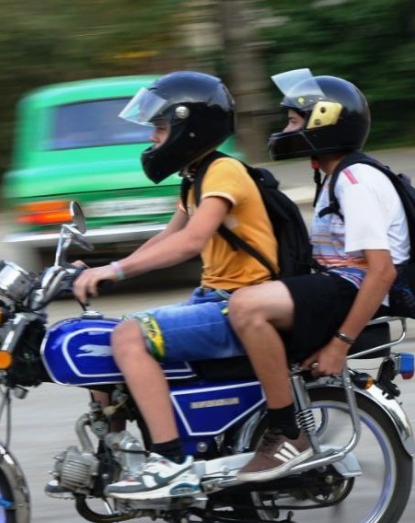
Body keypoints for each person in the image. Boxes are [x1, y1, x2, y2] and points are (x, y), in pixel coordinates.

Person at [71, 70, 278, 500]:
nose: (153, 139)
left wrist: (117, 273)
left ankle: (171, 463)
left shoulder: (224, 172)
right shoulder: (195, 178)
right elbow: (166, 236)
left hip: (239, 306)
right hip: (213, 298)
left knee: (129, 337)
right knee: (105, 340)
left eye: (161, 129)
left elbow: (191, 241)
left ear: (190, 128)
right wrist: (105, 267)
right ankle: (118, 449)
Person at [229, 69, 410, 482]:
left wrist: (339, 346)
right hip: (338, 288)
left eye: (294, 120)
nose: (285, 129)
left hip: (351, 292)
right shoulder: (337, 176)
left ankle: (289, 433)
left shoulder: (356, 181)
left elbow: (379, 273)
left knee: (247, 308)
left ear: (325, 122)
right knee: (238, 299)